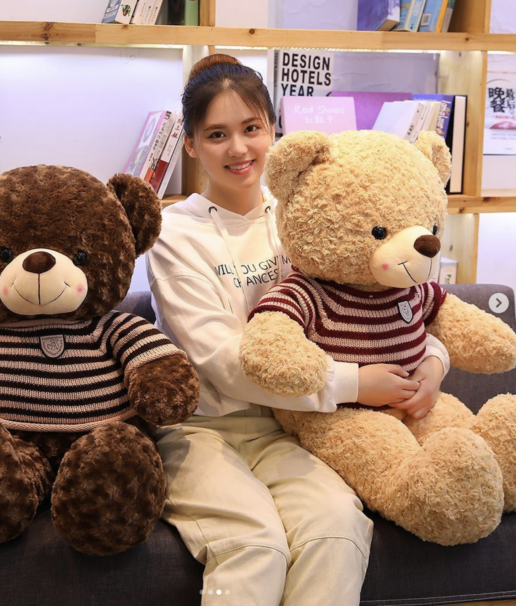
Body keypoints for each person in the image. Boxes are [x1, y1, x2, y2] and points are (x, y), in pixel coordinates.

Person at [146, 54, 449, 606]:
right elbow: (223, 360)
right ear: (190, 144)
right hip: (203, 430)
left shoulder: (307, 213)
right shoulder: (173, 235)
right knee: (253, 545)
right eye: (217, 134)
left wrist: (431, 360)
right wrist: (353, 383)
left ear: (273, 129)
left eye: (251, 128)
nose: (238, 148)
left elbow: (375, 301)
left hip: (293, 427)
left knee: (337, 529)